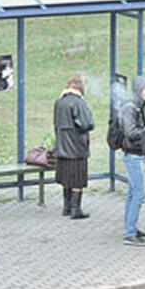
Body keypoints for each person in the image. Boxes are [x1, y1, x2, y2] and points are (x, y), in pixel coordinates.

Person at [53, 75, 94, 220]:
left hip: (62, 146)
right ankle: (76, 209)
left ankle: (67, 207)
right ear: (80, 86)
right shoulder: (78, 102)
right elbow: (86, 124)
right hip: (76, 147)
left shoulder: (59, 102)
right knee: (77, 178)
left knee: (66, 177)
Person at [120, 75, 145, 246]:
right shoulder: (130, 108)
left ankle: (131, 227)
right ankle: (129, 233)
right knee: (139, 194)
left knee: (133, 193)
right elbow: (130, 132)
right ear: (138, 90)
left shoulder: (140, 107)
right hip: (132, 155)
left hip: (137, 154)